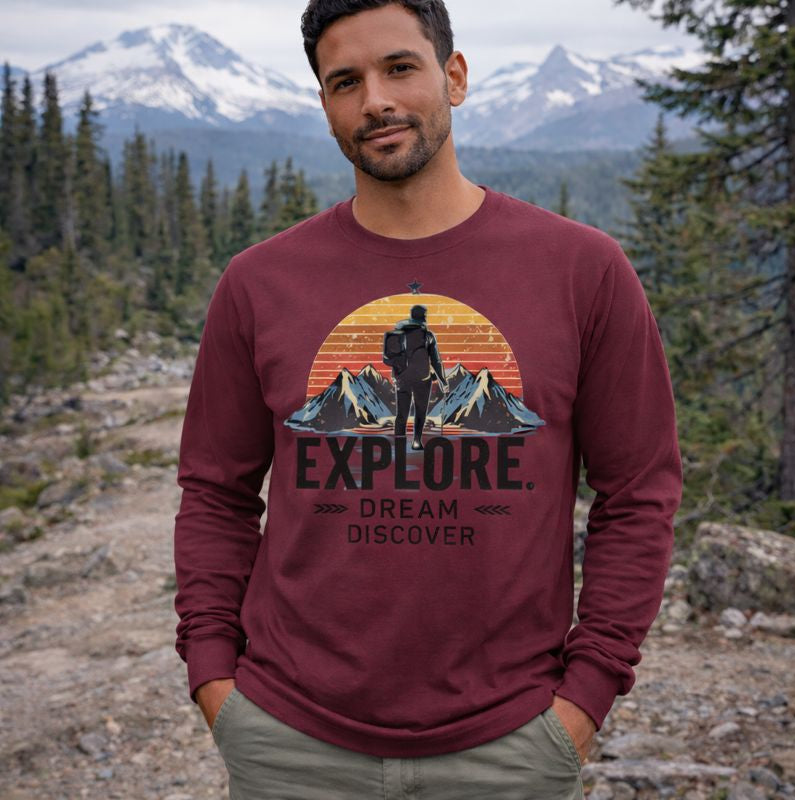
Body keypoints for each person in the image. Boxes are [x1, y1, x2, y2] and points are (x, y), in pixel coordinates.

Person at [172, 1, 683, 798]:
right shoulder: (259, 284)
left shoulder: (583, 271)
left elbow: (640, 492)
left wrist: (586, 696)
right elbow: (214, 494)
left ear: (454, 76)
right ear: (326, 107)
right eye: (346, 81)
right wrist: (213, 678)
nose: (374, 99)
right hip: (288, 740)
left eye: (399, 68)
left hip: (509, 747)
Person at [383, 303, 449, 448]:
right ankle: (417, 441)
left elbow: (389, 358)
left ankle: (399, 442)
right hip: (423, 379)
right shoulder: (428, 336)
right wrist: (443, 381)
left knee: (401, 413)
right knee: (420, 412)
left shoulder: (398, 334)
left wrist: (398, 372)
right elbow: (436, 361)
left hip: (402, 379)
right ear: (423, 318)